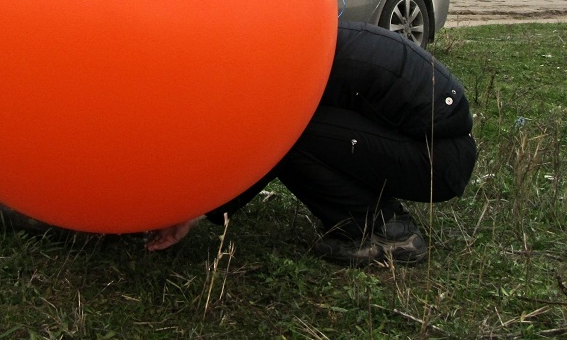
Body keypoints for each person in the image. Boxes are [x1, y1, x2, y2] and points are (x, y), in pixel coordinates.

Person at [146, 22, 478, 266]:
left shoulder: (298, 67)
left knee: (293, 136)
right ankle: (378, 218)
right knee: (296, 132)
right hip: (431, 145)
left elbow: (266, 150)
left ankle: (387, 233)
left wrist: (200, 209)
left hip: (438, 159)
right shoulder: (308, 41)